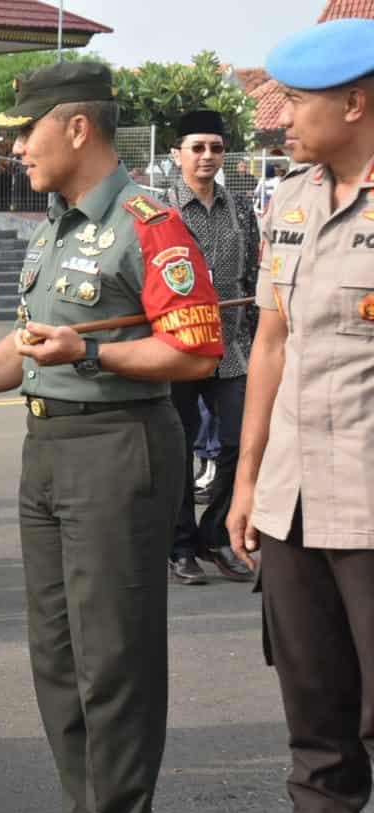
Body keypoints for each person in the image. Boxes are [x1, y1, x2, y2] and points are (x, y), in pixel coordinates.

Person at [0, 62, 224, 813]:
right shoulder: (58, 226)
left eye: (25, 133)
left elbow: (196, 350)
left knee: (113, 660)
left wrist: (94, 354)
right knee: (57, 655)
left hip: (118, 449)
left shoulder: (147, 222)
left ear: (77, 126)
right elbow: (30, 348)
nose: (14, 150)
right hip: (46, 448)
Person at [226, 19, 374, 813]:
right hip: (292, 500)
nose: (278, 117)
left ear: (355, 104)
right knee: (313, 710)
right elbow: (272, 343)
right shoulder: (287, 200)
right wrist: (246, 481)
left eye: (294, 102)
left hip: (369, 501)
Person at [163, 109, 259, 586]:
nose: (207, 156)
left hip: (235, 349)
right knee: (178, 450)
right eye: (197, 147)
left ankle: (216, 533)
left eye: (216, 148)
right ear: (176, 153)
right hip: (177, 350)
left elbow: (254, 280)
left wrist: (261, 340)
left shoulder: (241, 208)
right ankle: (180, 547)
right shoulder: (159, 210)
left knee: (241, 444)